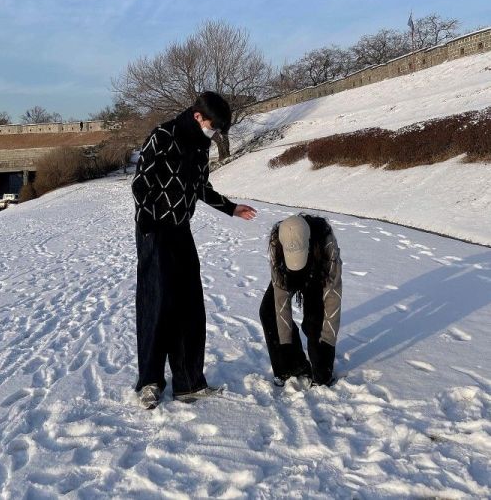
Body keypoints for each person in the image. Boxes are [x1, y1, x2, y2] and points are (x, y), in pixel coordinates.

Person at [132, 92, 256, 409]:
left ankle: (188, 382)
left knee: (189, 304)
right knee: (156, 303)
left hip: (181, 230)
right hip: (154, 230)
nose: (214, 133)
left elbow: (200, 186)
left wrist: (230, 208)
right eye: (213, 126)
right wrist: (148, 221)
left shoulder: (201, 146)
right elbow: (140, 183)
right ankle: (149, 382)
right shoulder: (163, 135)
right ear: (198, 116)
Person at [259, 213, 342, 387]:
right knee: (269, 311)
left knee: (314, 322)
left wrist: (328, 340)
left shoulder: (326, 241)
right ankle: (292, 366)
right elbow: (281, 298)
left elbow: (332, 296)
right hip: (287, 274)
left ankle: (322, 372)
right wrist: (285, 343)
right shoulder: (276, 244)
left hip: (317, 274)